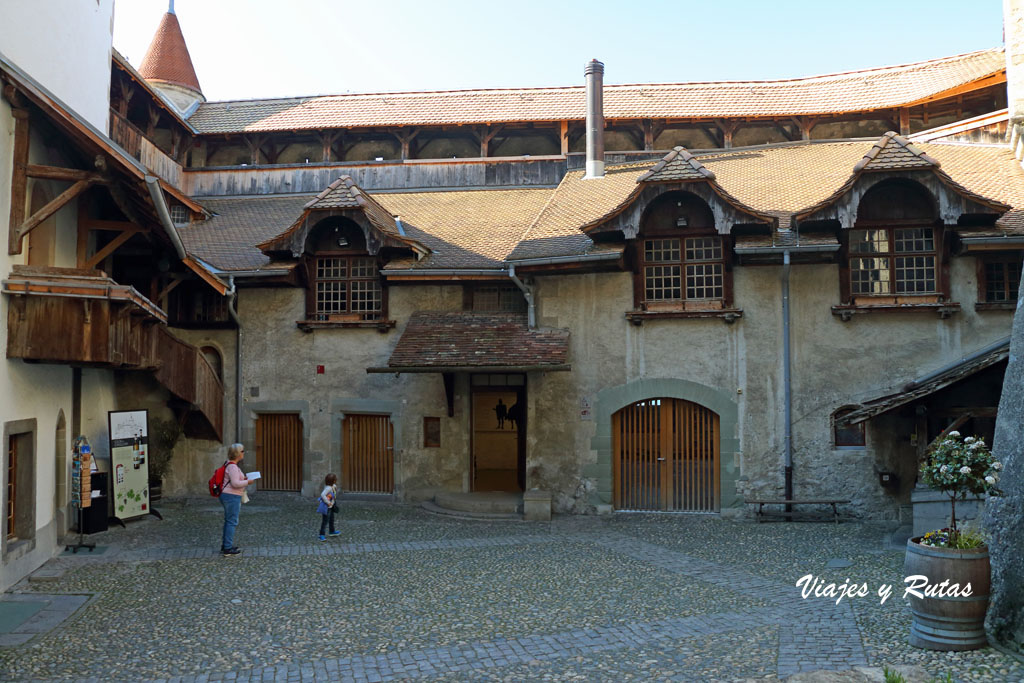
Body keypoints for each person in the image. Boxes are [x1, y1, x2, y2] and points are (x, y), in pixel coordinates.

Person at [220, 443, 251, 556]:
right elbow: (235, 483)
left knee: (229, 521)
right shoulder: (233, 467)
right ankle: (228, 548)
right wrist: (248, 482)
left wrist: (244, 478)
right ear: (238, 454)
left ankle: (226, 545)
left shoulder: (230, 464)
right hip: (231, 496)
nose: (244, 453)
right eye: (242, 451)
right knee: (232, 521)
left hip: (229, 495)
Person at [318, 473, 341, 541]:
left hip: (332, 505)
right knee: (325, 521)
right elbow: (322, 495)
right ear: (333, 481)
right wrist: (328, 502)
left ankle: (332, 531)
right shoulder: (328, 488)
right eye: (335, 479)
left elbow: (334, 489)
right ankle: (321, 534)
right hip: (327, 506)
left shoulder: (332, 486)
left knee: (331, 519)